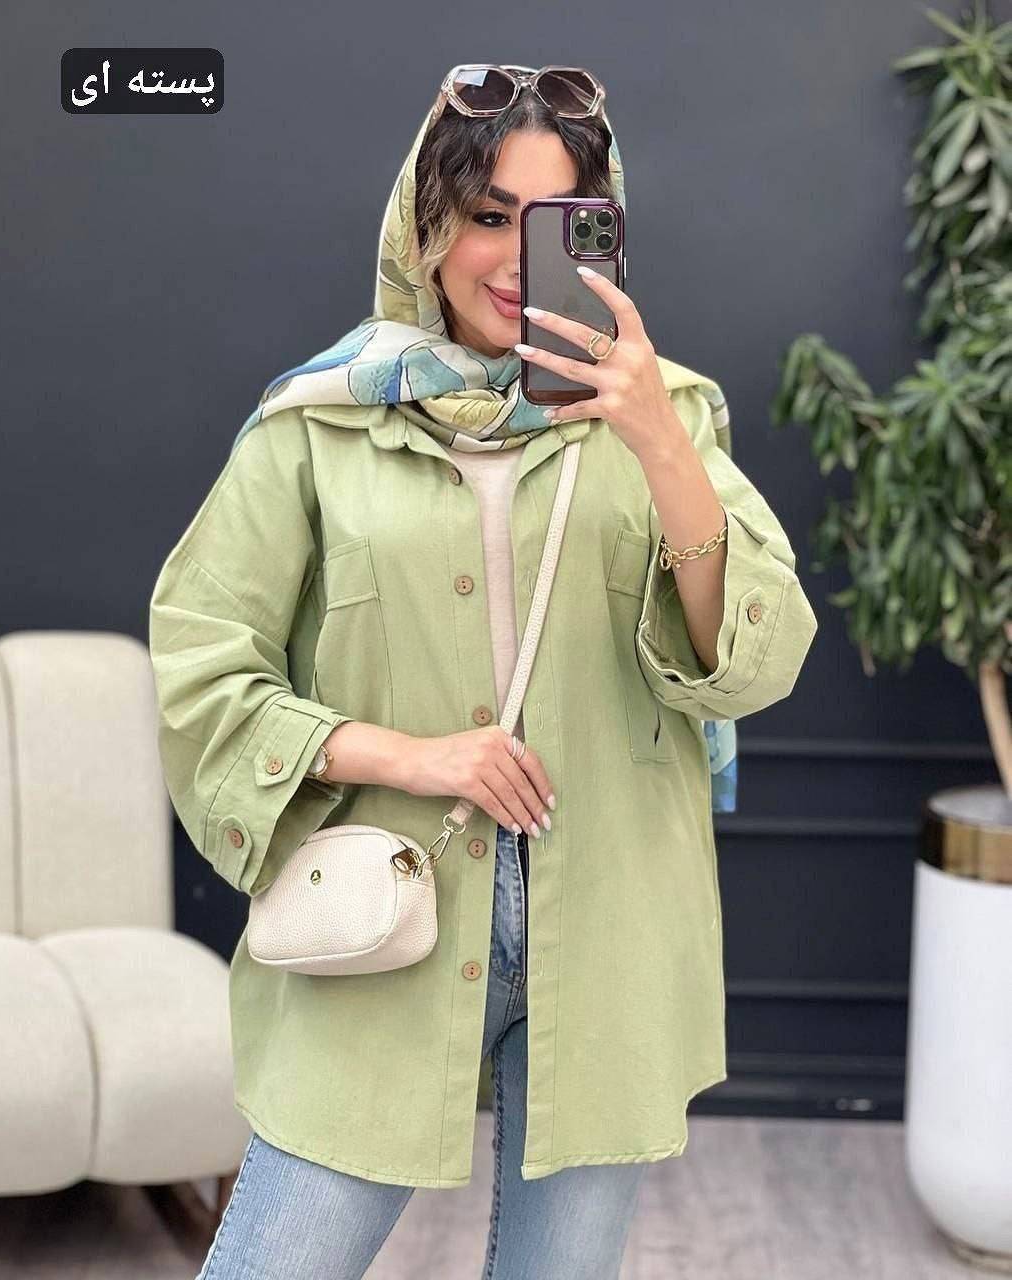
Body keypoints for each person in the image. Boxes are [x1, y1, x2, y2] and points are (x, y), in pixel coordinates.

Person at [148, 63, 819, 1279]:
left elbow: (752, 659)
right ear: (425, 224)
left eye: (556, 222)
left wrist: (658, 445)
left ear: (602, 236)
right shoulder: (321, 425)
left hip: (607, 921)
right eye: (488, 214)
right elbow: (202, 667)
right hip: (384, 912)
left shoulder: (662, 416)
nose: (516, 259)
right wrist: (412, 755)